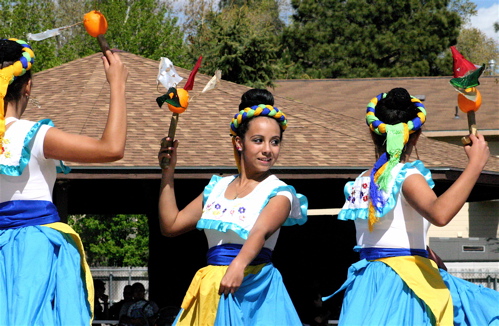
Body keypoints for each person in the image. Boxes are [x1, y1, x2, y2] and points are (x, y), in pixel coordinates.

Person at [323, 88, 499, 325]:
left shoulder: (362, 181)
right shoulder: (406, 175)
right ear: (415, 136)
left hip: (367, 283)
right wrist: (475, 164)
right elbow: (440, 213)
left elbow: (389, 235)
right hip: (403, 283)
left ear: (372, 132)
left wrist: (427, 252)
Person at [0, 38, 128, 325]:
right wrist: (117, 84)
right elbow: (111, 148)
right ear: (28, 86)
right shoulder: (32, 135)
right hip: (35, 251)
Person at [158, 89, 308, 325]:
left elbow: (259, 232)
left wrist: (238, 265)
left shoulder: (280, 192)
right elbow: (171, 225)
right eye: (258, 140)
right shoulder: (217, 187)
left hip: (255, 292)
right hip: (214, 290)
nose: (268, 149)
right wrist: (168, 172)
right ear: (239, 142)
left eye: (275, 141)